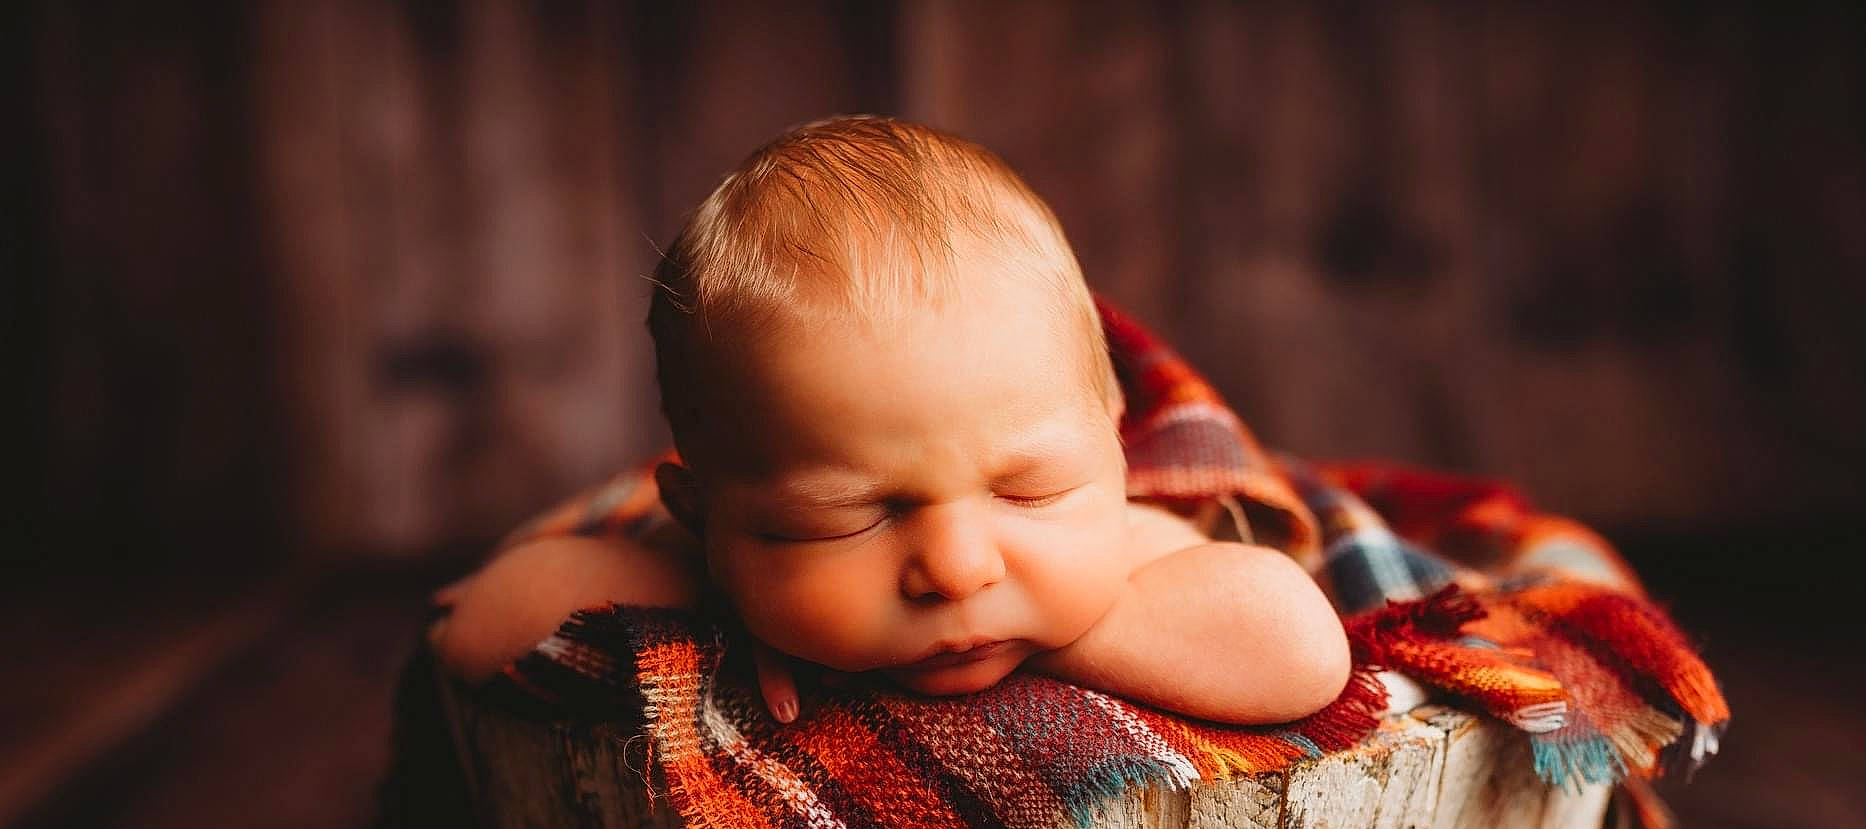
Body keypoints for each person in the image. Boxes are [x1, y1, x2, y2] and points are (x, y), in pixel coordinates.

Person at [430, 115, 1350, 726]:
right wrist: (726, 620)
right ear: (706, 518)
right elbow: (472, 631)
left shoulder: (1125, 553)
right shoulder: (703, 566)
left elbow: (1303, 653)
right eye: (846, 517)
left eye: (1028, 492)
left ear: (1112, 436)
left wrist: (1065, 635)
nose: (958, 568)